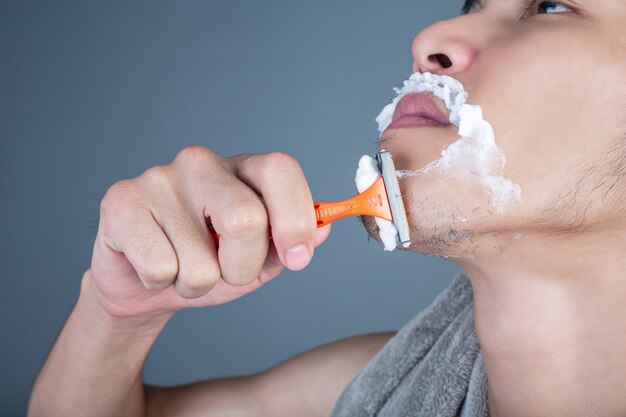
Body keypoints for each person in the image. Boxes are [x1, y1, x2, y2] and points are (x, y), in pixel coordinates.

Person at [29, 0, 626, 416]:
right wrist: (117, 312)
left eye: (550, 5)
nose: (430, 40)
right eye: (473, 3)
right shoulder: (376, 394)